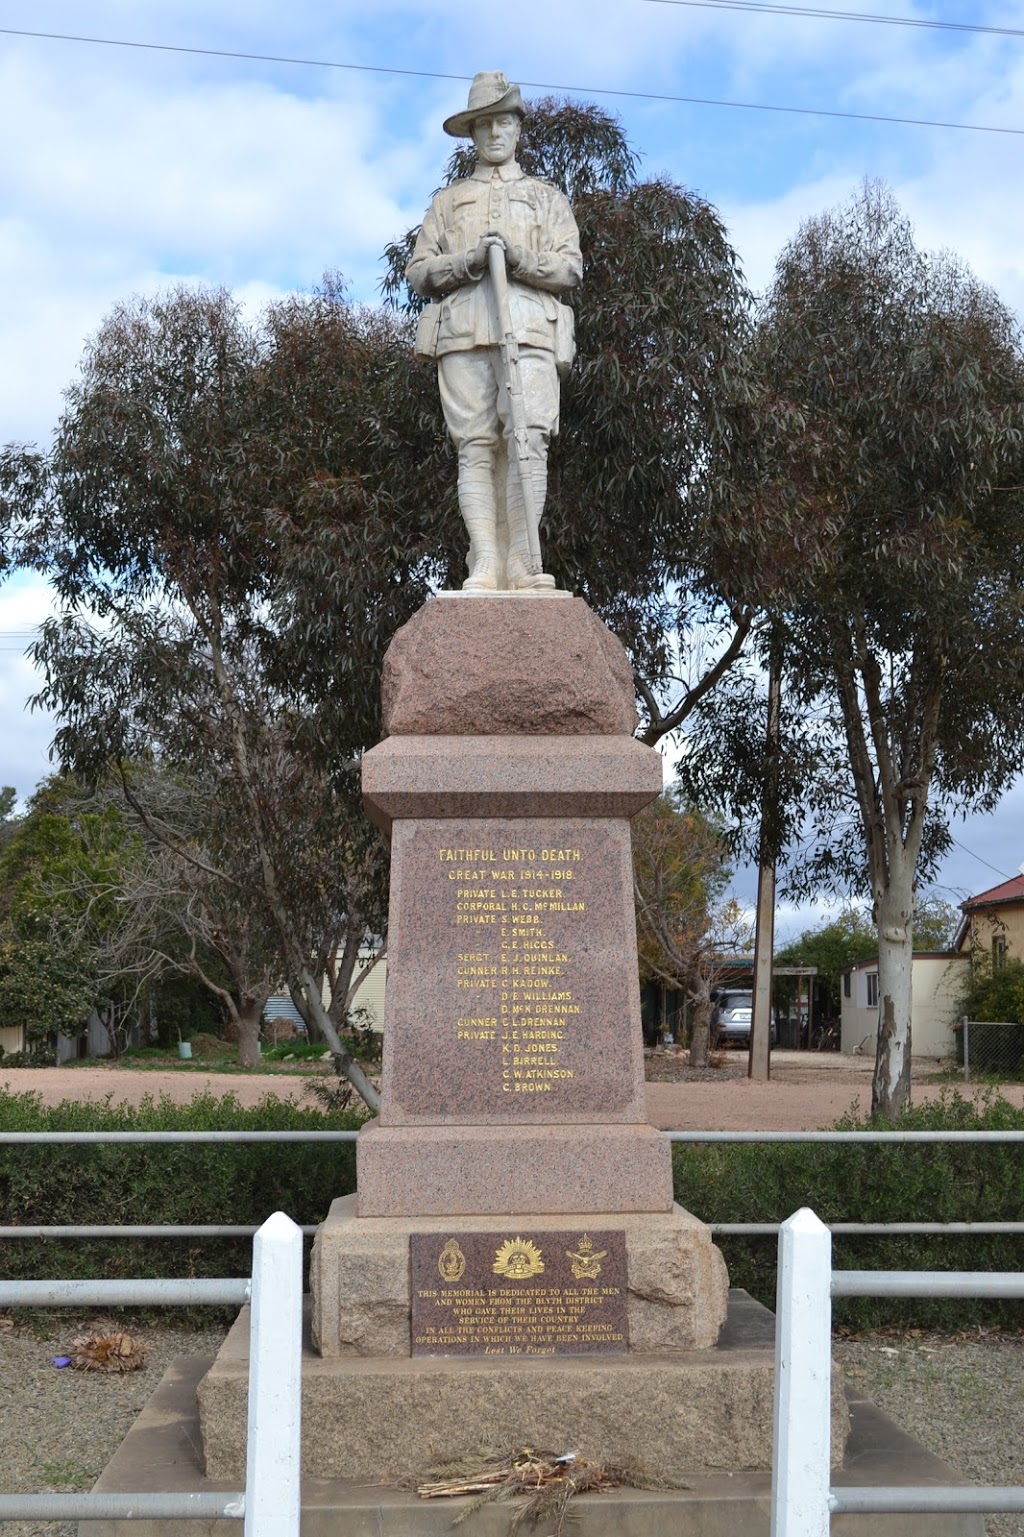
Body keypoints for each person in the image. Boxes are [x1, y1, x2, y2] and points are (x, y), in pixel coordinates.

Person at [407, 72, 582, 592]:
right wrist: (467, 260)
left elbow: (570, 268)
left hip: (530, 331)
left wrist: (522, 258)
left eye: (503, 121)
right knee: (475, 447)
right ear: (473, 133)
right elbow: (420, 271)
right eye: (484, 124)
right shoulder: (448, 202)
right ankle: (485, 560)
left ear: (518, 128)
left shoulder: (546, 198)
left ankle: (526, 560)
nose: (495, 133)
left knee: (527, 442)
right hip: (462, 334)